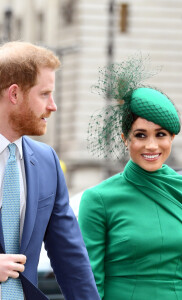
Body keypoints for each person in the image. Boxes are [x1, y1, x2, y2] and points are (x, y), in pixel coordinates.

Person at [78, 57, 182, 299]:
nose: (151, 146)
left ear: (171, 138)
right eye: (140, 135)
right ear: (125, 139)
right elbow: (88, 283)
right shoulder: (98, 199)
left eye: (160, 134)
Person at [0, 41, 100, 300]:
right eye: (44, 94)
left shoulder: (46, 161)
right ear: (14, 94)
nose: (53, 106)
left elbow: (70, 256)